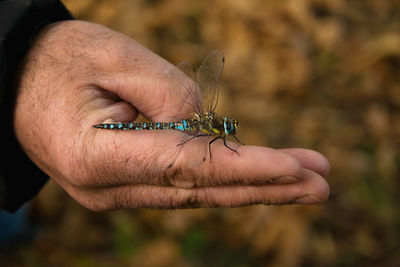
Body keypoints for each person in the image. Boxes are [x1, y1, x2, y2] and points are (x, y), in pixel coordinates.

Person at [0, 0, 330, 213]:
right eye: (227, 129)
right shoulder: (203, 128)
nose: (228, 129)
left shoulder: (206, 126)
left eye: (228, 130)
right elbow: (207, 148)